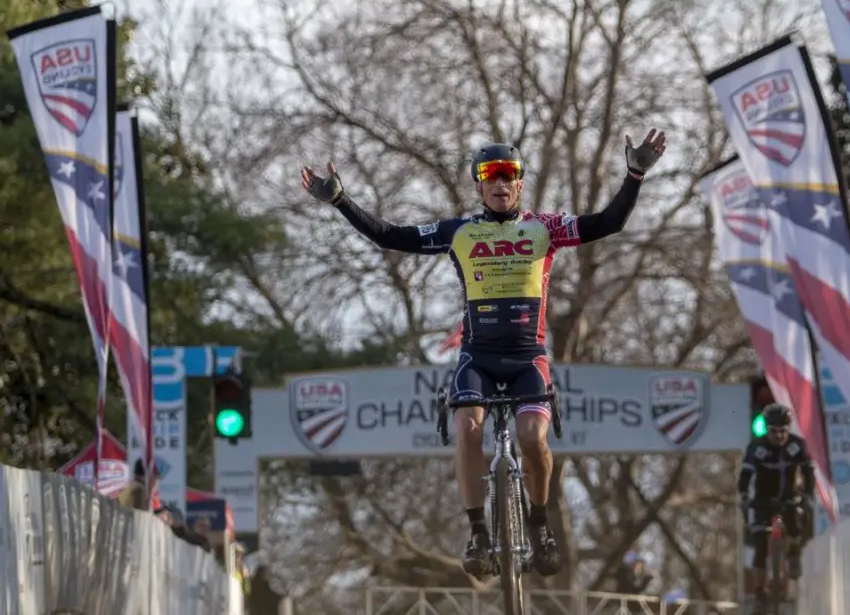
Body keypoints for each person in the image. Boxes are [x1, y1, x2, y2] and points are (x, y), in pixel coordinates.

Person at [300, 130, 667, 577]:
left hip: (527, 355)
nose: (499, 183)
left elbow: (608, 222)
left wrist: (634, 174)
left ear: (520, 184)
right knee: (468, 429)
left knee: (533, 440)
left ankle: (539, 526)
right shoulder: (460, 232)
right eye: (489, 176)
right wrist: (341, 201)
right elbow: (391, 237)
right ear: (478, 186)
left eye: (508, 175)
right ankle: (478, 533)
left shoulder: (544, 228)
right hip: (477, 357)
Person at [737, 404, 814, 612]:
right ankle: (760, 592)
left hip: (789, 497)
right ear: (767, 430)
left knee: (797, 522)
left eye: (783, 432)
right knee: (760, 543)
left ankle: (793, 552)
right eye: (774, 432)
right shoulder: (757, 448)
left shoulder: (797, 446)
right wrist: (744, 495)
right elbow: (745, 475)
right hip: (764, 499)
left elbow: (808, 473)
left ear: (788, 430)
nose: (779, 436)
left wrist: (807, 495)